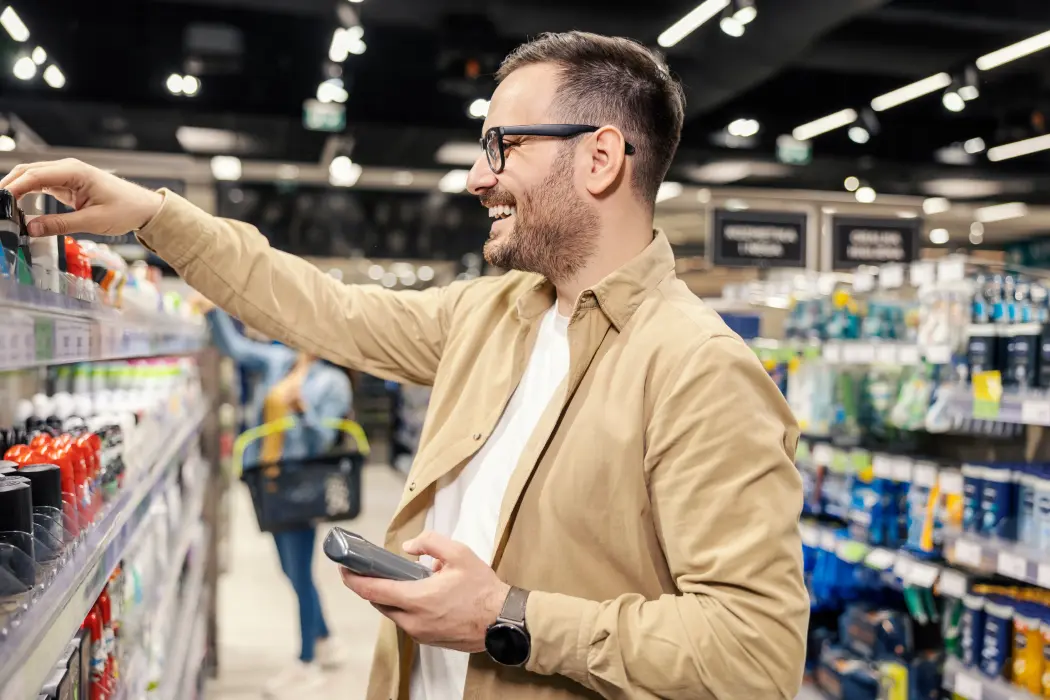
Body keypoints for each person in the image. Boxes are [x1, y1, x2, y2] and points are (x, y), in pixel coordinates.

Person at [2, 30, 809, 700]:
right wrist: (154, 215)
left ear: (600, 159)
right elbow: (320, 307)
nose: (475, 177)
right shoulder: (492, 314)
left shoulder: (700, 370)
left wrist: (508, 616)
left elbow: (754, 653)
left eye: (504, 144)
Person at [193, 296, 353, 699]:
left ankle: (305, 663)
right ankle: (326, 639)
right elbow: (237, 349)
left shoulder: (333, 383)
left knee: (299, 573)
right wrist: (212, 311)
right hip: (269, 480)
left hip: (302, 484)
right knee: (290, 570)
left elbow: (324, 440)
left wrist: (303, 411)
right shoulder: (280, 363)